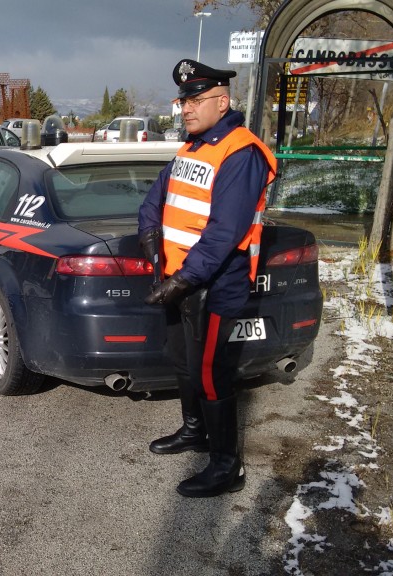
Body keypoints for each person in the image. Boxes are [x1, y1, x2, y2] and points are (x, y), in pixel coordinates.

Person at [138, 59, 277, 498]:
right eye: (183, 101)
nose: (186, 109)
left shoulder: (242, 152)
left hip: (215, 284)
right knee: (182, 362)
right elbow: (155, 199)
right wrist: (149, 235)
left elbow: (223, 234)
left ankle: (226, 466)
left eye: (196, 100)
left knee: (214, 373)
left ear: (223, 100)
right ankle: (194, 431)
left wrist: (180, 282)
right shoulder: (191, 148)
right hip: (180, 280)